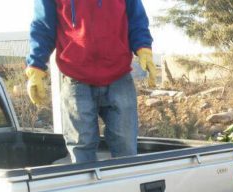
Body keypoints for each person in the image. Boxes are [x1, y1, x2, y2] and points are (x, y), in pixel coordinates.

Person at [25, 0, 157, 163]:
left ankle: (125, 189)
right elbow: (43, 26)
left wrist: (143, 47)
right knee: (81, 149)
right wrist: (36, 66)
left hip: (119, 77)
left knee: (126, 147)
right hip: (76, 79)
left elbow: (136, 18)